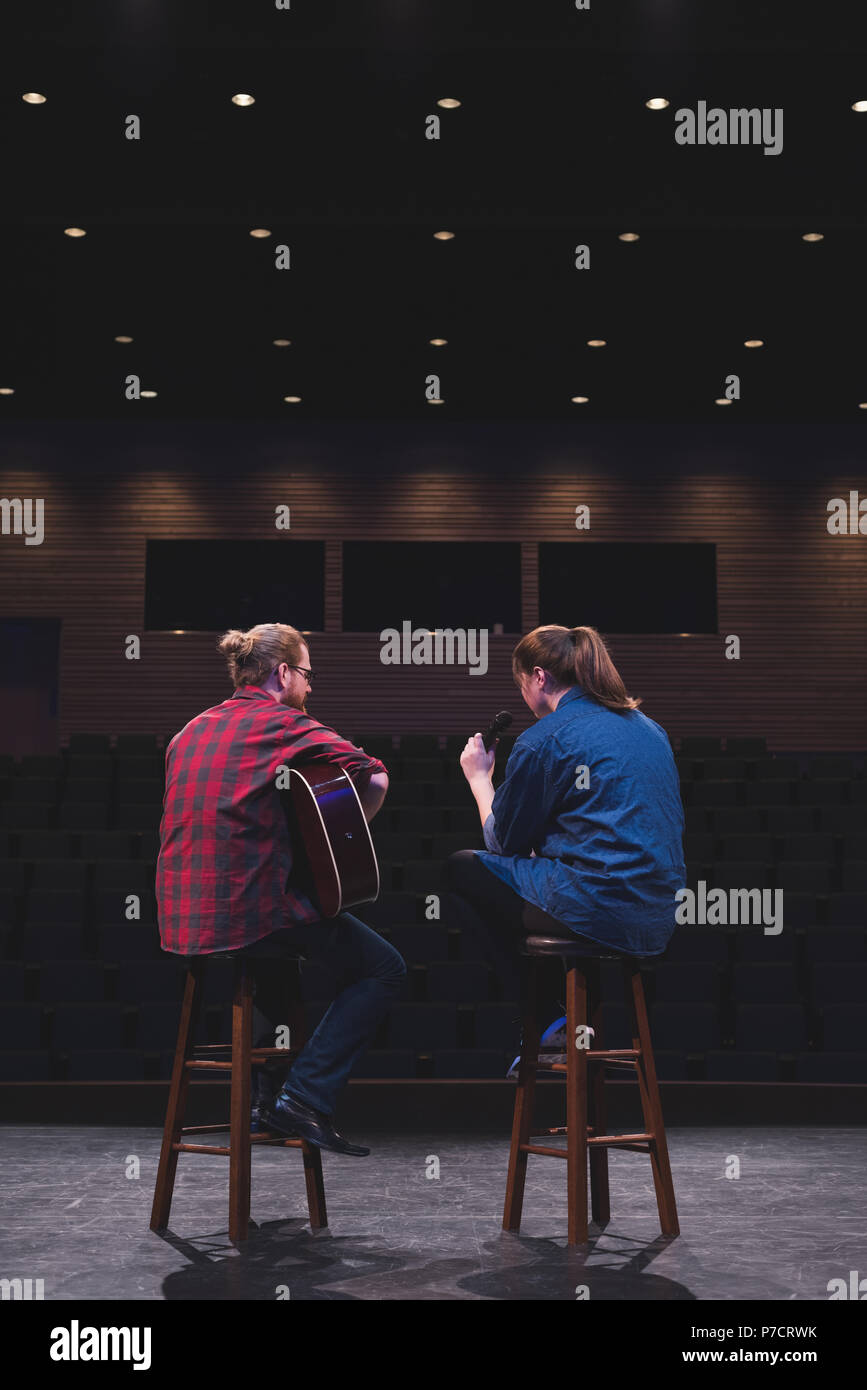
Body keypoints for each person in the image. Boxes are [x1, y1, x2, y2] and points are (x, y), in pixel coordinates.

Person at [155, 622, 405, 1156]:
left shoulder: (187, 732)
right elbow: (376, 774)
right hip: (250, 911)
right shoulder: (284, 722)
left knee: (271, 952)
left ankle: (262, 1105)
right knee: (383, 968)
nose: (311, 688)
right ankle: (305, 1098)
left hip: (182, 916)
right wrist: (343, 845)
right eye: (308, 675)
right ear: (284, 673)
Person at [445, 624, 686, 1067]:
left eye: (520, 684)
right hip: (658, 912)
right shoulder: (652, 730)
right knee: (539, 877)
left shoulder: (546, 738)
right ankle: (567, 1022)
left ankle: (547, 1021)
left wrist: (480, 780)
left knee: (462, 869)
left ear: (539, 677)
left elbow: (502, 844)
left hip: (598, 904)